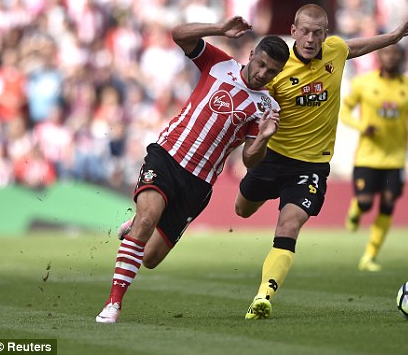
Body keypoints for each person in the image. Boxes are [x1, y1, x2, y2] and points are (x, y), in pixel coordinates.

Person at [95, 16, 290, 323]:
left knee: (150, 258)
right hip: (168, 156)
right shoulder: (219, 63)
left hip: (199, 182)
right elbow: (178, 34)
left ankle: (135, 225)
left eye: (272, 72)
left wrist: (264, 138)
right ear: (251, 54)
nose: (263, 74)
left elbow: (251, 160)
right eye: (262, 64)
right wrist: (220, 30)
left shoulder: (267, 108)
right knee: (147, 221)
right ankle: (113, 304)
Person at [234, 4, 408, 319]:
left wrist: (392, 38)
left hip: (311, 166)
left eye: (317, 32)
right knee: (242, 209)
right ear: (293, 31)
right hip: (273, 158)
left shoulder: (334, 51)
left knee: (289, 224)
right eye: (304, 31)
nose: (310, 39)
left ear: (326, 35)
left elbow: (354, 47)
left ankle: (263, 296)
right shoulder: (277, 69)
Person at [341, 43, 408, 272]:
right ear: (380, 56)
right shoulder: (363, 83)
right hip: (368, 156)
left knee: (388, 204)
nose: (390, 57)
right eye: (387, 52)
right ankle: (356, 209)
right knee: (366, 203)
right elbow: (344, 111)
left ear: (402, 58)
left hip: (395, 158)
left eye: (395, 53)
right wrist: (361, 126)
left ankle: (369, 256)